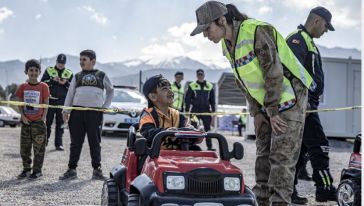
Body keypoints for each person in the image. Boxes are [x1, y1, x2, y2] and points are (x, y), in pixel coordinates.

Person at [190, 1, 314, 205]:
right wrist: (257, 112)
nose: (205, 35)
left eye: (207, 29)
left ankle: (279, 202)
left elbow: (273, 73)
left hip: (291, 96)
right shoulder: (226, 45)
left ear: (222, 20)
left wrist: (273, 112)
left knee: (281, 159)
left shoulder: (257, 30)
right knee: (263, 155)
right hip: (267, 103)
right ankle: (261, 201)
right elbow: (243, 81)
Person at [286, 6, 336, 204]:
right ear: (316, 21)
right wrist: (303, 103)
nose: (325, 31)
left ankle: (289, 190)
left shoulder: (309, 42)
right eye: (325, 26)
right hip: (303, 106)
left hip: (308, 105)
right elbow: (291, 73)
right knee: (320, 145)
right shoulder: (297, 39)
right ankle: (324, 188)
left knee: (302, 151)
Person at [59, 50, 114, 180]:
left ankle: (97, 170)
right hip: (77, 112)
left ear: (93, 61)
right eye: (80, 59)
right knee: (75, 142)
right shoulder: (77, 76)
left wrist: (105, 107)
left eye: (84, 59)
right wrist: (66, 111)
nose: (81, 62)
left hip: (95, 113)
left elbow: (111, 91)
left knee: (95, 142)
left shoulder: (101, 75)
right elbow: (70, 94)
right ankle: (71, 169)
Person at [139, 74, 201, 150]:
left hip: (177, 155)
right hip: (155, 154)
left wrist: (195, 135)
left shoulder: (178, 115)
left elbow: (187, 128)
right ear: (153, 96)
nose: (170, 91)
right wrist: (167, 132)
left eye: (170, 88)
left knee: (197, 149)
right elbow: (148, 132)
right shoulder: (148, 115)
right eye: (165, 89)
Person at [15, 59, 50, 180]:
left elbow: (46, 103)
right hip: (26, 122)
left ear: (39, 72)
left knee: (39, 147)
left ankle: (37, 170)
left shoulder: (43, 86)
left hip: (38, 123)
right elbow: (20, 103)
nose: (33, 73)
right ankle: (26, 169)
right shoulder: (23, 87)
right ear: (26, 72)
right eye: (31, 70)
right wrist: (23, 116)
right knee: (24, 148)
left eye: (36, 70)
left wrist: (43, 118)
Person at [41, 54, 73, 151]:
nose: (60, 65)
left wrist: (66, 83)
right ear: (56, 61)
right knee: (48, 122)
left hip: (62, 101)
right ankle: (44, 142)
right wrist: (52, 80)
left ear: (65, 63)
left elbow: (73, 87)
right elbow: (42, 83)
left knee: (60, 123)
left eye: (62, 63)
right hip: (50, 100)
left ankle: (58, 144)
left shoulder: (69, 73)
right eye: (59, 62)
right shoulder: (49, 70)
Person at [185, 69, 216, 151]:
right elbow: (187, 99)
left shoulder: (209, 86)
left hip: (206, 111)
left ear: (204, 75)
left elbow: (212, 100)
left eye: (201, 75)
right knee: (193, 128)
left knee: (207, 128)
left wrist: (213, 111)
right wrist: (187, 111)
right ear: (196, 76)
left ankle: (209, 147)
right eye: (198, 75)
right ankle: (192, 145)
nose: (200, 76)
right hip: (195, 111)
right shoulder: (192, 85)